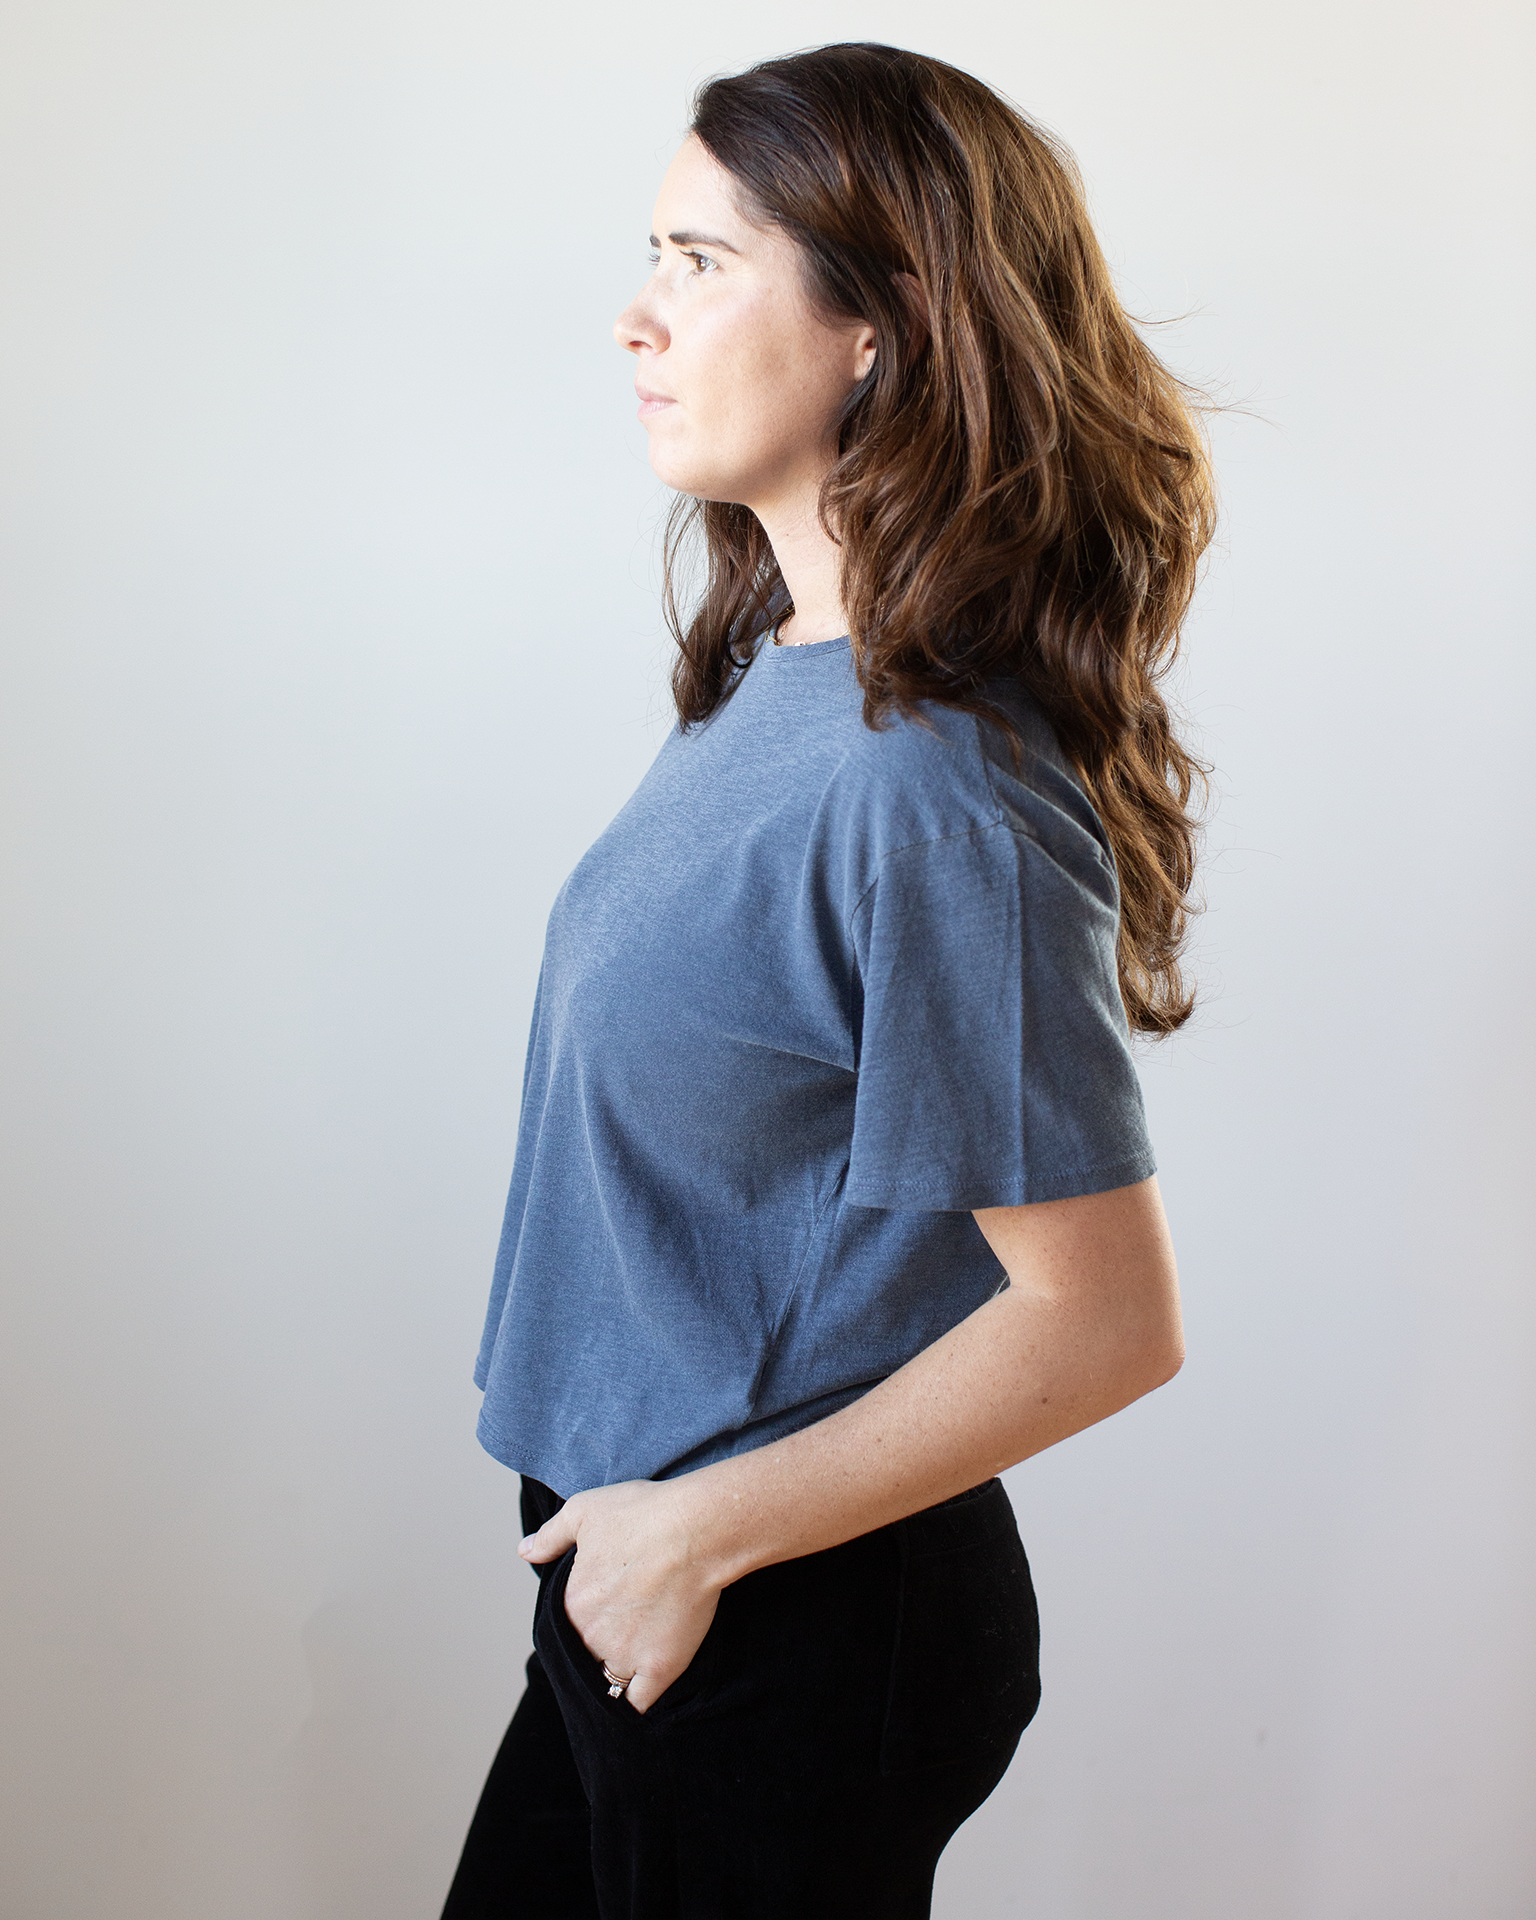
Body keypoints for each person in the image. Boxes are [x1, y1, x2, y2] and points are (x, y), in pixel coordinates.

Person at [442, 41, 1212, 1920]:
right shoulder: (783, 676)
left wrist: (697, 1534)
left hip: (781, 1612)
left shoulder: (925, 784)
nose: (639, 315)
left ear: (884, 323)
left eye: (703, 262)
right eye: (654, 254)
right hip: (651, 1578)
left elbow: (1104, 1321)